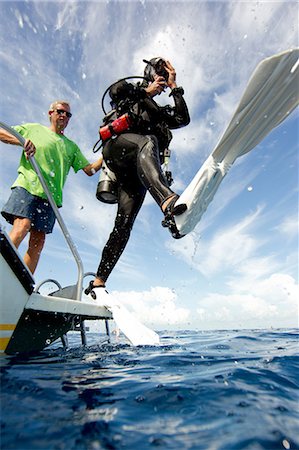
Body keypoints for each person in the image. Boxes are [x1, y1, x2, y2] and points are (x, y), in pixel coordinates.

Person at [85, 58, 190, 298]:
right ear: (150, 73)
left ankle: (98, 281)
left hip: (137, 172)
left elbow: (182, 119)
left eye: (166, 75)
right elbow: (116, 90)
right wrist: (146, 90)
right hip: (117, 149)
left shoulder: (158, 111)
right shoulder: (131, 93)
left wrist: (175, 87)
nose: (162, 79)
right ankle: (167, 202)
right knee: (148, 141)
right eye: (160, 74)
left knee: (123, 226)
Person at [0, 100, 103, 274]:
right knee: (22, 226)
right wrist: (21, 142)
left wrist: (107, 154)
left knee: (38, 242)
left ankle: (22, 283)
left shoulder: (71, 147)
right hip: (28, 186)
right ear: (51, 113)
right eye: (60, 111)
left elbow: (90, 170)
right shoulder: (33, 129)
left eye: (68, 114)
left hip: (51, 199)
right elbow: (1, 133)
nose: (64, 116)